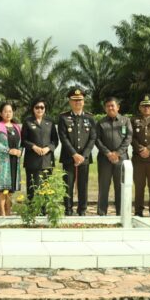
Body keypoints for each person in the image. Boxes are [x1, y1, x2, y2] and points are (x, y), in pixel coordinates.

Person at [57, 88, 96, 216]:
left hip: (84, 159)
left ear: (84, 102)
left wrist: (83, 155)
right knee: (67, 185)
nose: (77, 103)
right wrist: (74, 154)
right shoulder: (63, 117)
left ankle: (82, 210)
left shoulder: (90, 117)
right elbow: (63, 137)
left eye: (80, 100)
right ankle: (68, 210)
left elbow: (92, 137)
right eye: (74, 100)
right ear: (70, 102)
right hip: (69, 158)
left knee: (83, 186)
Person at [95, 97, 132, 216]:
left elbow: (128, 138)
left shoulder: (125, 121)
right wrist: (108, 153)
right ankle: (101, 213)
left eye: (112, 105)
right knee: (103, 187)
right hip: (104, 159)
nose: (110, 108)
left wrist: (117, 153)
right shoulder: (100, 122)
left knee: (120, 186)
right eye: (108, 106)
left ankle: (121, 213)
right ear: (105, 108)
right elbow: (97, 140)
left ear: (118, 107)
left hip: (121, 159)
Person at [21, 97, 59, 200]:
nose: (40, 109)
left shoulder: (50, 122)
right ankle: (32, 211)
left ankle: (44, 212)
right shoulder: (27, 121)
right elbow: (23, 140)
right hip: (32, 160)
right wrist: (33, 147)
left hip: (47, 159)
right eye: (37, 107)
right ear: (33, 109)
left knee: (46, 188)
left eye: (42, 107)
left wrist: (48, 148)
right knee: (33, 187)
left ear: (45, 109)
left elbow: (55, 141)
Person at [0, 102, 22, 216]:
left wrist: (19, 151)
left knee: (10, 187)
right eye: (5, 111)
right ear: (0, 113)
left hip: (14, 161)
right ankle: (2, 212)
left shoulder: (16, 127)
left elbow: (20, 143)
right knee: (2, 187)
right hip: (1, 161)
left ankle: (8, 211)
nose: (8, 114)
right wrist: (8, 150)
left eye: (10, 111)